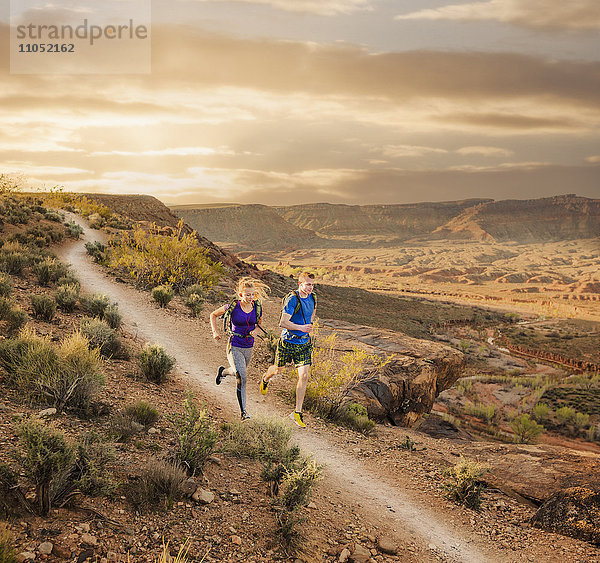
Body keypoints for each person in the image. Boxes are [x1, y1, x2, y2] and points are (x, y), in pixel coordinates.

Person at [260, 271, 316, 428]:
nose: (311, 287)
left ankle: (297, 412)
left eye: (312, 284)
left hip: (304, 344)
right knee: (278, 370)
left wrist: (309, 327)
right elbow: (283, 322)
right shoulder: (292, 299)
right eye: (308, 284)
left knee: (304, 376)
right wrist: (301, 327)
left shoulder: (313, 297)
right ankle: (265, 378)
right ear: (300, 284)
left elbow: (312, 314)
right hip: (287, 342)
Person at [210, 277, 270, 421]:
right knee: (242, 377)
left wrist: (255, 332)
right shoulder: (232, 307)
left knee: (237, 372)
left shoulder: (257, 307)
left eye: (252, 294)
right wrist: (215, 332)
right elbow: (213, 315)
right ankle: (244, 413)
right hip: (234, 345)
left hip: (249, 346)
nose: (250, 297)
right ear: (240, 295)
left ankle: (223, 372)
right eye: (247, 294)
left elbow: (259, 325)